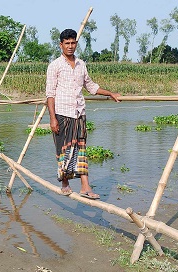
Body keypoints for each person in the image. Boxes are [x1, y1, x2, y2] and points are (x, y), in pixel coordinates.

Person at [46, 28, 121, 199]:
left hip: (79, 113)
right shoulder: (55, 66)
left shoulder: (81, 64)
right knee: (63, 149)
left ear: (76, 44)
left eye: (73, 43)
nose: (70, 46)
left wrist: (110, 93)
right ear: (61, 45)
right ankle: (65, 182)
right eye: (67, 43)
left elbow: (91, 86)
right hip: (62, 114)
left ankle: (85, 186)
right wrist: (52, 119)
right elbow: (50, 94)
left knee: (81, 149)